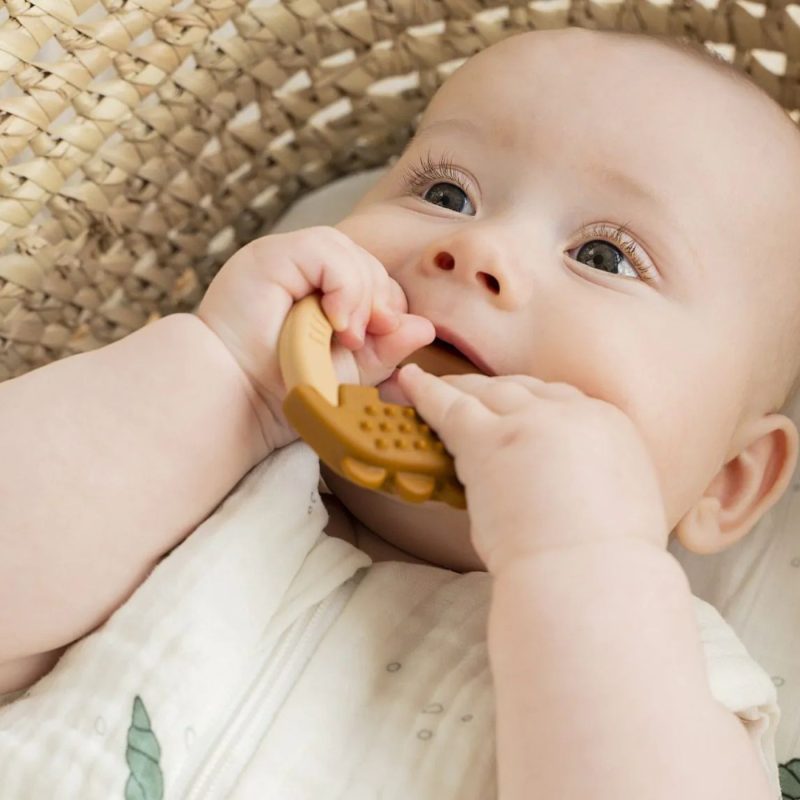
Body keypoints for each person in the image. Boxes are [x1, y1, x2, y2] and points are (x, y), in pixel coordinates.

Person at [1, 26, 799, 799]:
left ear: (727, 481)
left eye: (606, 257)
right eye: (446, 194)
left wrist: (584, 558)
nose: (480, 250)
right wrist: (226, 371)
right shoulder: (183, 476)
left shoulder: (672, 679)